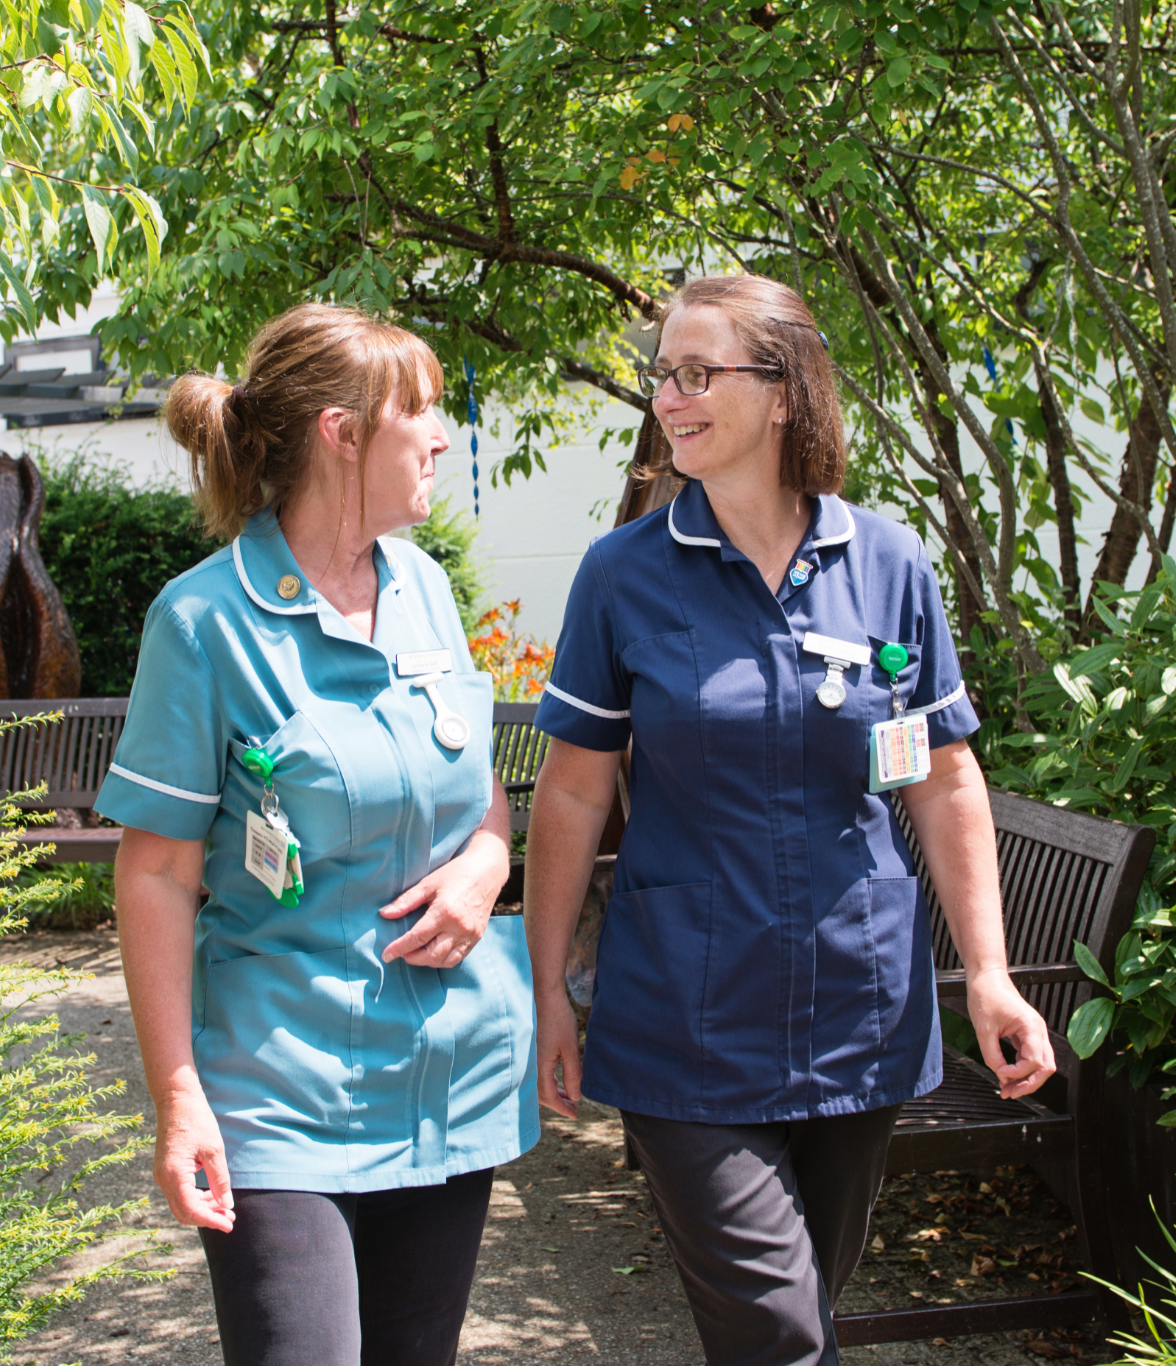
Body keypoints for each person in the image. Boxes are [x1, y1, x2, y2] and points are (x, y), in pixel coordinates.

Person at [523, 274, 1055, 1366]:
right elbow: (574, 791)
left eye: (697, 372)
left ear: (783, 392)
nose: (669, 398)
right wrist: (546, 991)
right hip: (685, 1016)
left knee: (804, 1304)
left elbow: (942, 779)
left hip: (859, 1008)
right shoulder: (624, 576)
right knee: (775, 1332)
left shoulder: (888, 564)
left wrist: (990, 972)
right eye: (662, 374)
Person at [100, 304, 535, 1366]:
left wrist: (486, 866)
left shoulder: (427, 590)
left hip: (448, 1084)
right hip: (280, 1095)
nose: (440, 435)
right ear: (341, 433)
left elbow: (480, 794)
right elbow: (156, 873)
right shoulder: (203, 624)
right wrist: (178, 1100)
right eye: (420, 412)